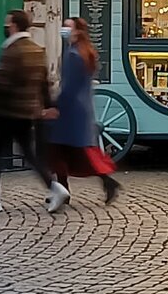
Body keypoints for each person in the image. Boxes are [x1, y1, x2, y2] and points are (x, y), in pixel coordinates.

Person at [0, 9, 66, 214]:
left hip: (5, 112)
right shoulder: (37, 49)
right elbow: (44, 82)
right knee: (30, 154)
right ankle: (55, 187)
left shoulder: (12, 50)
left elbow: (3, 84)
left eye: (8, 24)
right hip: (28, 112)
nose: (6, 27)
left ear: (14, 25)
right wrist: (48, 105)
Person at [45, 17, 120, 204]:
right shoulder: (84, 52)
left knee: (60, 150)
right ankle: (100, 182)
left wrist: (55, 105)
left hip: (70, 109)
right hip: (82, 108)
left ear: (77, 31)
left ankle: (64, 190)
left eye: (68, 26)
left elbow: (68, 87)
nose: (64, 29)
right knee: (71, 152)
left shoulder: (72, 55)